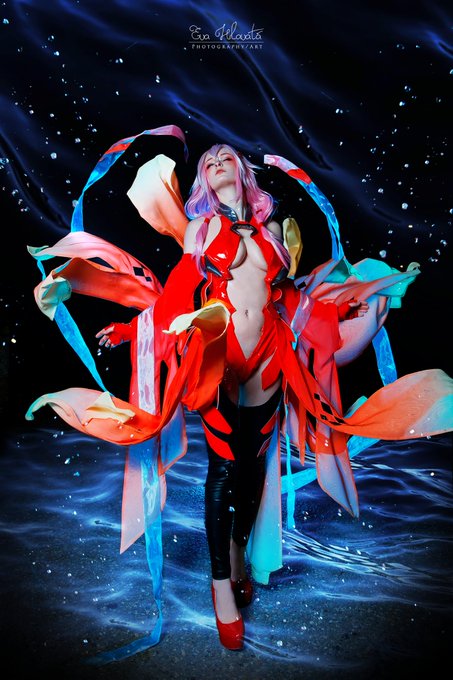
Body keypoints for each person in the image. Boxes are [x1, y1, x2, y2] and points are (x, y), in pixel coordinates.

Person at [26, 127, 453, 656]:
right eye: (208, 161)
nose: (217, 161)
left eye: (226, 156)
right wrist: (132, 327)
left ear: (242, 173)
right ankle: (220, 585)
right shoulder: (201, 229)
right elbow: (178, 292)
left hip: (271, 356)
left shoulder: (271, 231)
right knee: (224, 470)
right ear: (204, 181)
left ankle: (236, 552)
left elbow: (291, 298)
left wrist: (354, 303)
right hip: (222, 357)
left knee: (253, 468)